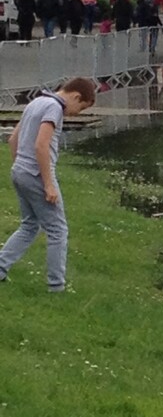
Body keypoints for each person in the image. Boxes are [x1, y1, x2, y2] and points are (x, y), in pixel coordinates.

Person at [0, 77, 96, 292]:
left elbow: (13, 139)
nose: (74, 114)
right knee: (57, 230)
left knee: (30, 225)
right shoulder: (54, 108)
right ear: (76, 96)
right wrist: (48, 184)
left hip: (20, 171)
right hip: (35, 174)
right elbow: (41, 146)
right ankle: (56, 285)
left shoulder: (37, 102)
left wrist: (19, 167)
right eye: (79, 108)